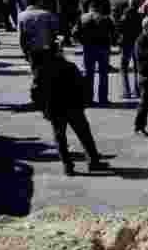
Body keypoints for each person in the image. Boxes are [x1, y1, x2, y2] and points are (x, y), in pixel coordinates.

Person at [34, 47, 110, 176]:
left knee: (60, 139)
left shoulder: (41, 70)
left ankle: (67, 166)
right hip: (73, 107)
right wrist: (83, 103)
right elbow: (82, 85)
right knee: (85, 135)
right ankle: (93, 162)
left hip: (55, 109)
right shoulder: (69, 66)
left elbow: (35, 92)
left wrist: (44, 108)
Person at [75, 0, 115, 106]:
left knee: (89, 74)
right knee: (103, 74)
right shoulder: (106, 18)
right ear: (100, 8)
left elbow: (75, 33)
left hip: (88, 48)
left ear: (89, 8)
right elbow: (113, 33)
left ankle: (88, 99)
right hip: (103, 48)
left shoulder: (83, 18)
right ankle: (103, 99)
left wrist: (82, 41)